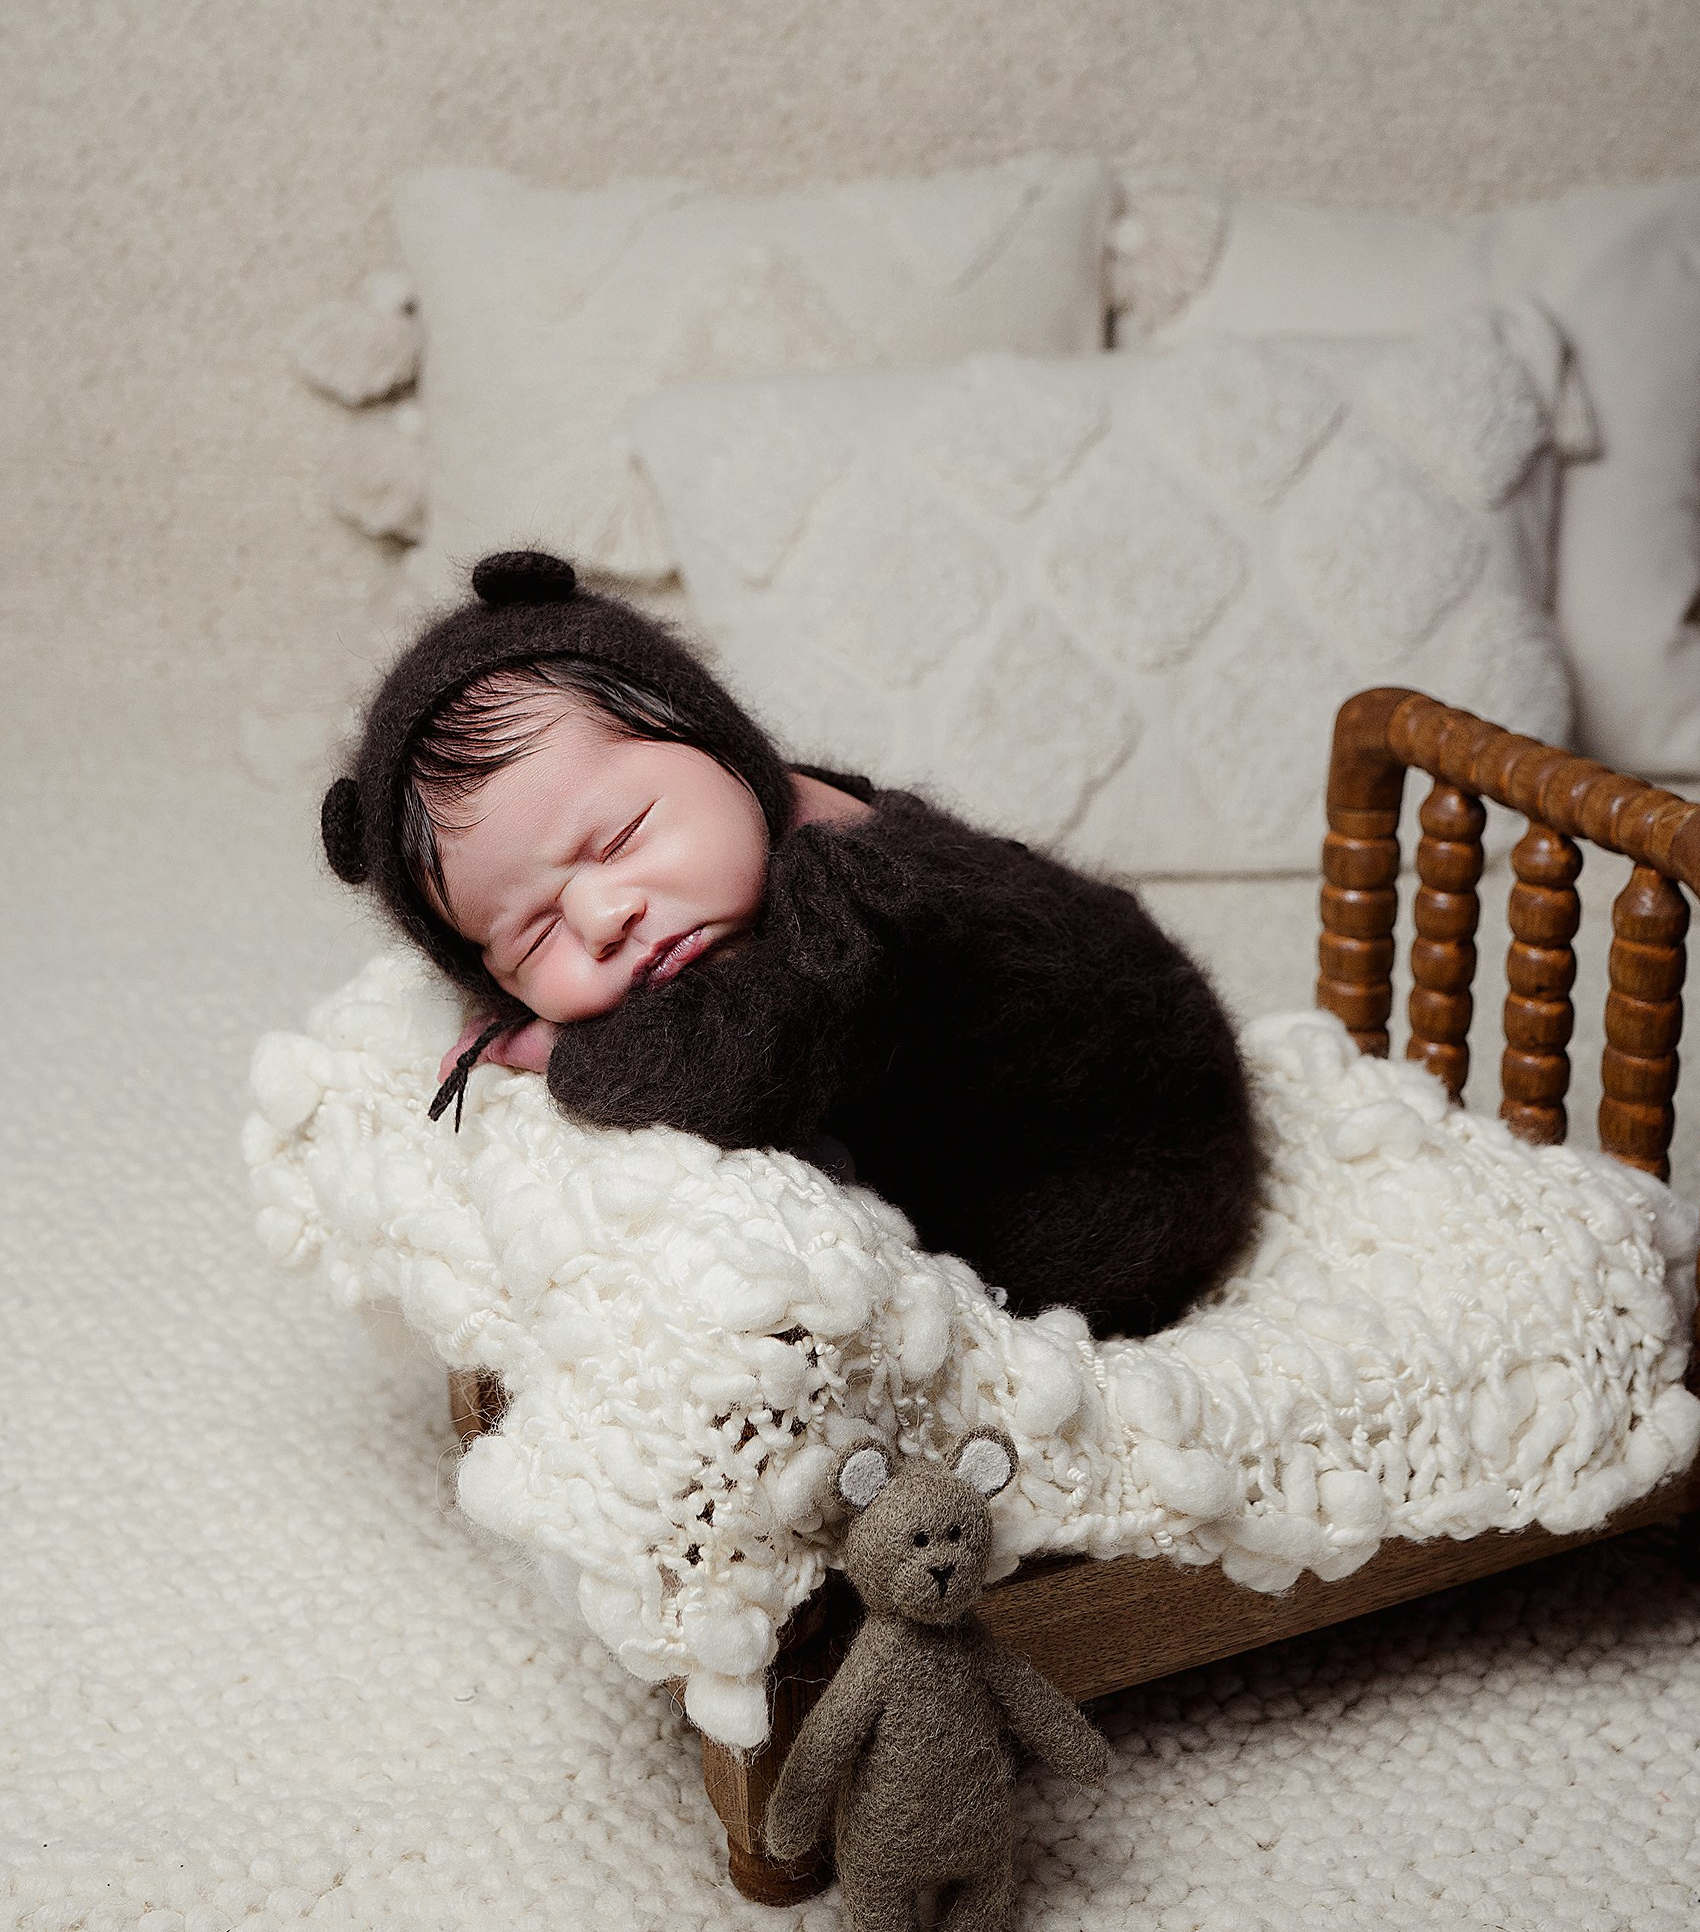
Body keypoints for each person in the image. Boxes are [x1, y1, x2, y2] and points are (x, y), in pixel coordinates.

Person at [320, 550, 1261, 1340]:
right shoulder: (733, 858)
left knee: (835, 1312)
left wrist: (556, 1048)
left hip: (1131, 1167)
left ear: (725, 747)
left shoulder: (856, 894)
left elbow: (715, 1069)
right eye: (536, 934)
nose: (605, 915)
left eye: (619, 840)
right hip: (991, 1121)